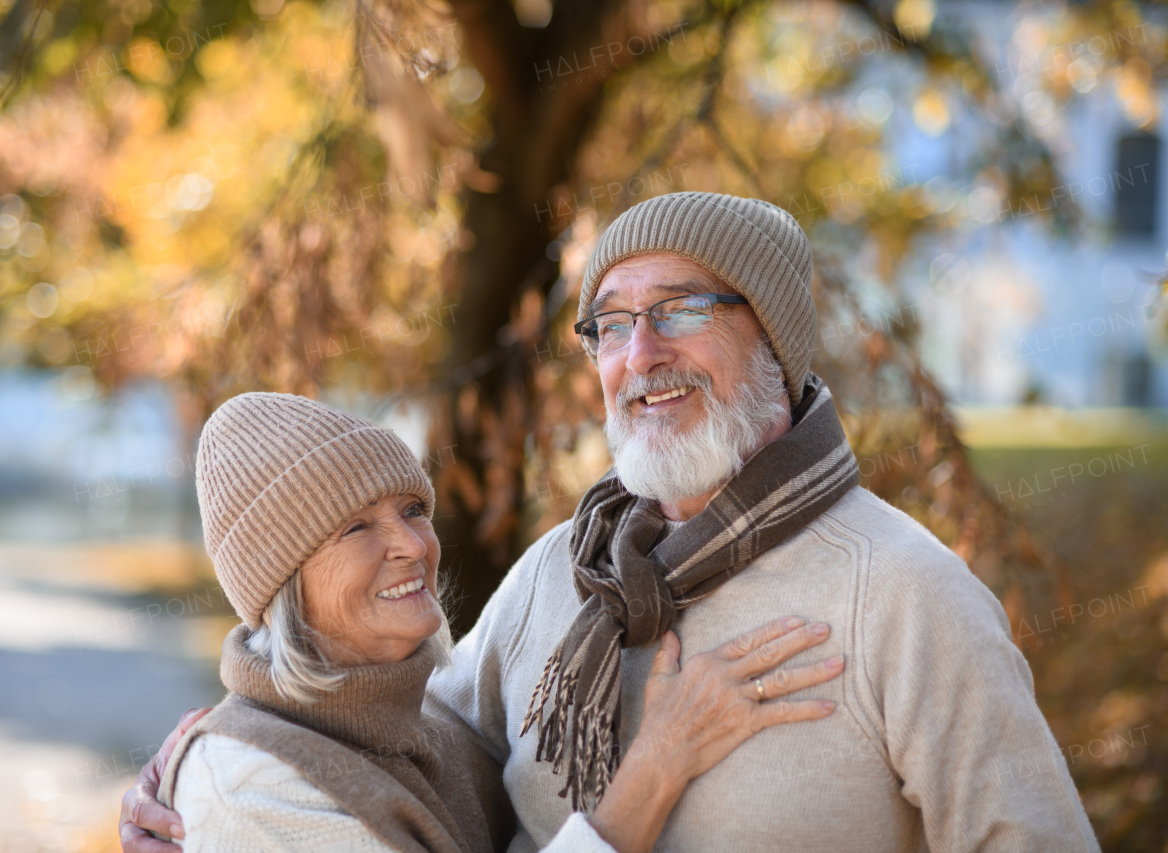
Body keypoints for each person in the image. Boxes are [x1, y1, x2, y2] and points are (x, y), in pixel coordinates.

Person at [124, 192, 1101, 851]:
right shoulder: (560, 574)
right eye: (610, 323)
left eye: (680, 310)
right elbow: (391, 739)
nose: (640, 353)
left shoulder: (901, 591)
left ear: (772, 339)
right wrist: (207, 762)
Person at [143, 391, 843, 853]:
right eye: (357, 527)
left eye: (413, 509)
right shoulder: (250, 785)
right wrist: (658, 764)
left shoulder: (428, 715)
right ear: (282, 579)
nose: (413, 546)